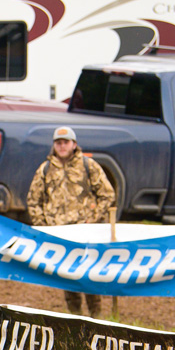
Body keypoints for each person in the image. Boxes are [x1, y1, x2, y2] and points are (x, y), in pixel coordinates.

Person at [25, 126, 115, 318]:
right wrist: (44, 227)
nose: (62, 146)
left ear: (74, 144)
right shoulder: (45, 169)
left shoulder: (88, 166)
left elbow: (107, 195)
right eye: (58, 143)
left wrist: (93, 220)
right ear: (54, 145)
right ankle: (74, 318)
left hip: (86, 234)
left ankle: (96, 319)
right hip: (60, 235)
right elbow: (33, 200)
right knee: (67, 277)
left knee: (90, 276)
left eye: (66, 142)